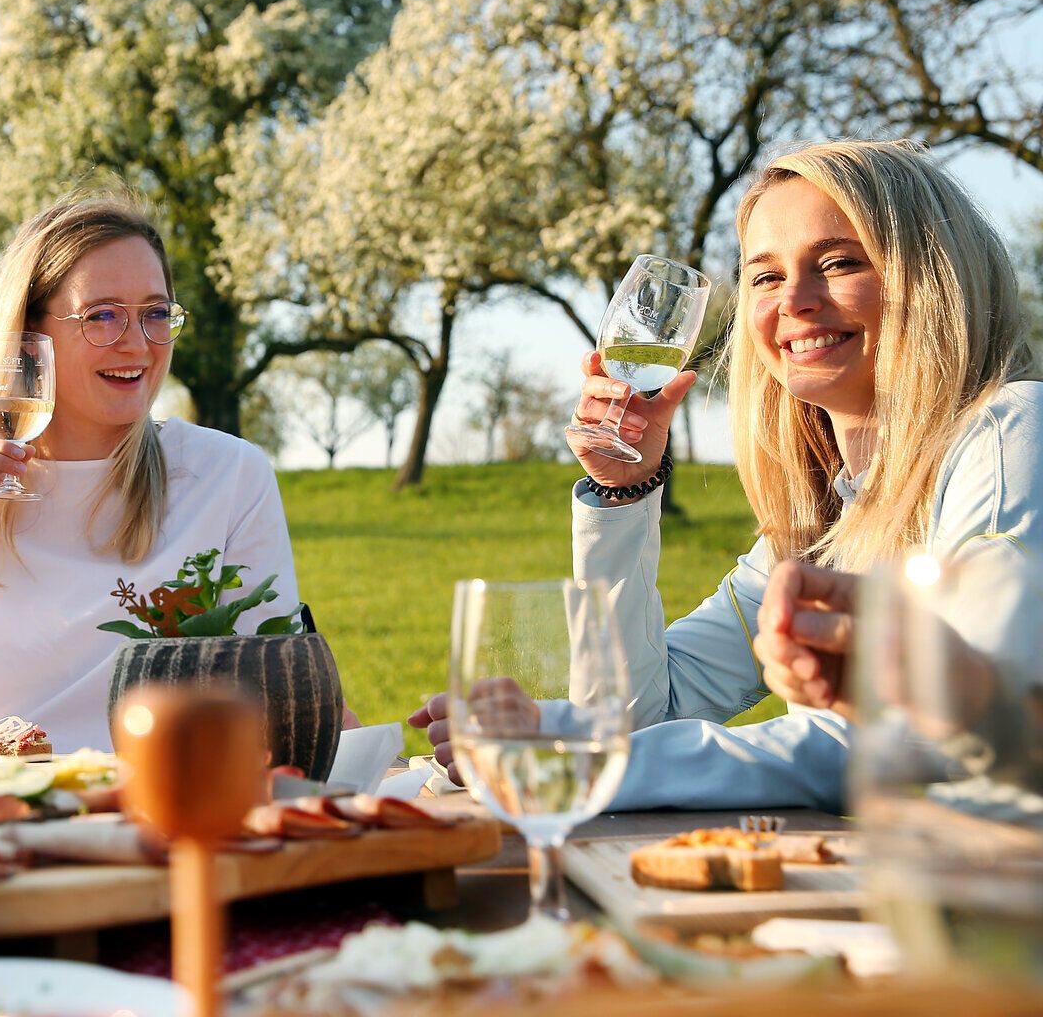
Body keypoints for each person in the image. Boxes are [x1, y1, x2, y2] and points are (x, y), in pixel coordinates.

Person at [413, 139, 1040, 810]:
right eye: (765, 277)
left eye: (838, 262)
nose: (794, 300)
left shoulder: (1011, 432)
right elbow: (641, 715)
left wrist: (582, 767)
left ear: (933, 277)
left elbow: (946, 733)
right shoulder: (826, 515)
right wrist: (621, 495)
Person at [0, 195, 303, 764]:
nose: (137, 343)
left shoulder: (227, 476)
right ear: (29, 335)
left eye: (154, 312)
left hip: (152, 809)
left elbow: (283, 693)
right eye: (101, 314)